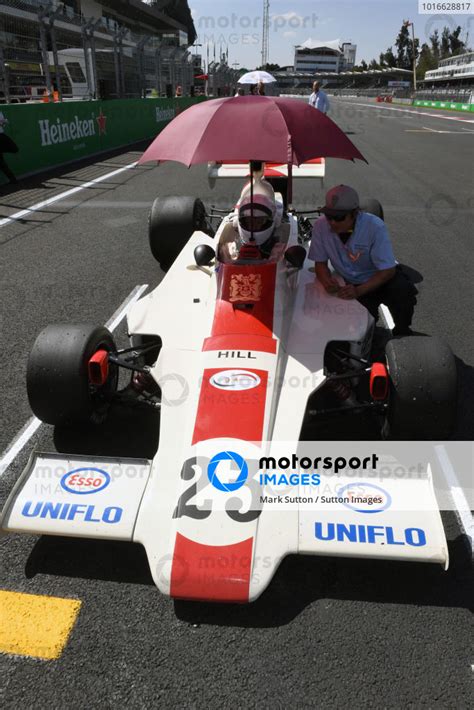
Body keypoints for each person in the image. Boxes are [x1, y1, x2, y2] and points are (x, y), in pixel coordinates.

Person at [309, 185, 417, 336]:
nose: (332, 222)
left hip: (380, 278)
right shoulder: (320, 226)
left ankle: (402, 329)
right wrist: (327, 282)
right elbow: (320, 264)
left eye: (339, 217)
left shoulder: (375, 226)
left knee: (403, 292)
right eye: (329, 216)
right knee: (357, 329)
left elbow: (387, 270)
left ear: (354, 214)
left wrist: (359, 290)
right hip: (350, 282)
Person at [0, 112, 18, 185]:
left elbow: (2, 123)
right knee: (1, 162)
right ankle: (13, 179)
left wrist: (3, 122)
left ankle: (12, 179)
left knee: (14, 148)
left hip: (1, 135)